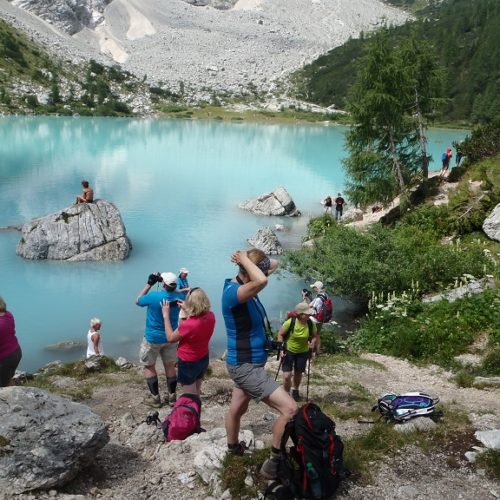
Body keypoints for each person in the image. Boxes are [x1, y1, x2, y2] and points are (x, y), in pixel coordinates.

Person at [222, 248, 297, 480]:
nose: (265, 274)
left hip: (248, 363)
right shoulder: (235, 293)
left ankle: (233, 449)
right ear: (247, 271)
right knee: (291, 409)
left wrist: (253, 259)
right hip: (245, 366)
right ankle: (273, 463)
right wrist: (245, 259)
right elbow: (263, 277)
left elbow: (273, 265)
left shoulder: (249, 284)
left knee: (237, 409)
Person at [136, 271, 183, 408]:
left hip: (152, 338)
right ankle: (172, 397)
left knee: (149, 365)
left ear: (163, 283)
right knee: (170, 366)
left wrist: (149, 283)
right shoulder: (180, 297)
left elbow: (138, 300)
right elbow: (179, 291)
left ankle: (155, 398)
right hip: (171, 337)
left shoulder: (154, 297)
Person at [161, 287, 215, 395]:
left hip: (188, 362)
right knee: (197, 391)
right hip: (203, 357)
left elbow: (170, 338)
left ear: (191, 303)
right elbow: (198, 319)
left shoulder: (188, 325)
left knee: (190, 395)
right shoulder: (211, 316)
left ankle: (190, 410)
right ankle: (196, 410)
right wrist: (187, 309)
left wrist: (166, 316)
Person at [276, 302, 318, 402]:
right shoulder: (290, 322)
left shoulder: (310, 323)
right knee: (287, 376)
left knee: (299, 373)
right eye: (307, 313)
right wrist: (281, 348)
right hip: (288, 351)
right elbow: (280, 334)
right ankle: (286, 394)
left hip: (303, 352)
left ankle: (295, 390)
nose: (309, 314)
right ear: (300, 314)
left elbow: (315, 336)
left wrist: (313, 343)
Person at [0, 296, 22, 387]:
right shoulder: (7, 314)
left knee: (2, 386)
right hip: (15, 352)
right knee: (7, 379)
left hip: (5, 360)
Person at [309, 281, 328, 356]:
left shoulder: (318, 299)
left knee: (311, 335)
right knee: (317, 335)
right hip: (321, 319)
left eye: (314, 287)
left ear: (317, 288)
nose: (314, 289)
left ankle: (310, 352)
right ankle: (318, 351)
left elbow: (311, 308)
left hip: (314, 320)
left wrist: (304, 299)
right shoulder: (325, 295)